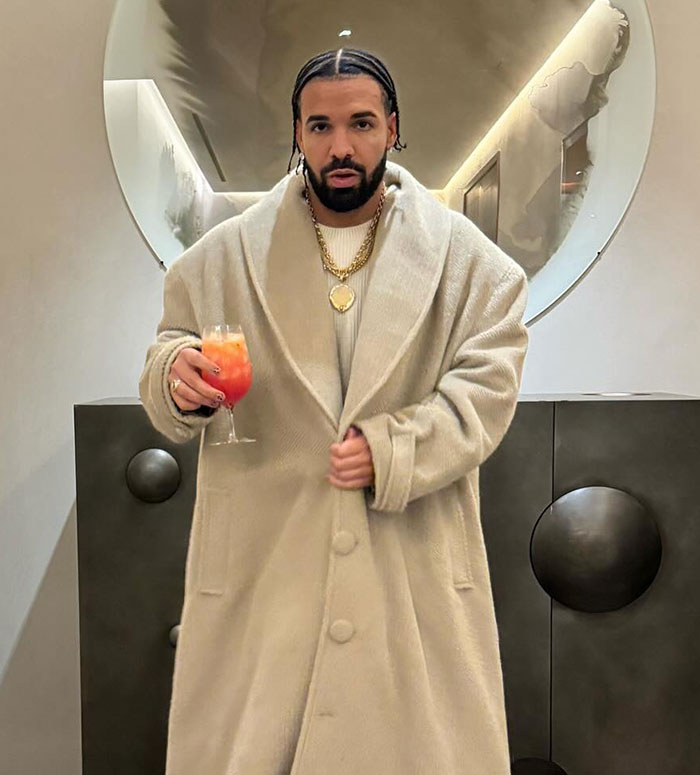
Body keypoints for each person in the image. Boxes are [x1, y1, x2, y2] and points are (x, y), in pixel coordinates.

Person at [139, 47, 529, 775]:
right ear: (297, 132)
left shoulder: (472, 266)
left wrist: (397, 449)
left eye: (360, 124)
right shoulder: (219, 261)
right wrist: (174, 377)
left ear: (393, 128)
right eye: (320, 126)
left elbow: (488, 385)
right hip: (268, 565)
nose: (340, 146)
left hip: (407, 563)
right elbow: (168, 353)